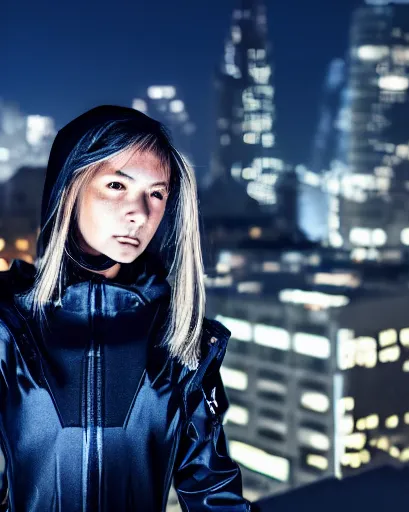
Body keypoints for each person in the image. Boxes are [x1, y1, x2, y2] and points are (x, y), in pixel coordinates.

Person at [0, 105, 252, 511]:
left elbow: (213, 495)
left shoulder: (181, 341)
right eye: (117, 185)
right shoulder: (9, 326)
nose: (139, 212)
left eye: (156, 193)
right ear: (69, 187)